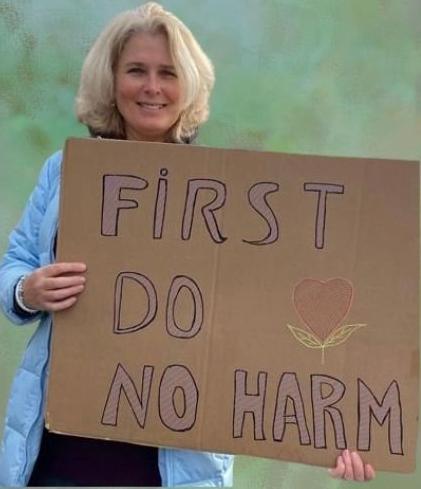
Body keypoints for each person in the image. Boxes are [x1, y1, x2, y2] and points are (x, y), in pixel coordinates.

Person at [0, 2, 375, 486]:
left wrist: (334, 428)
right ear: (110, 81)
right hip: (64, 456)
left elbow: (272, 321)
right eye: (136, 70)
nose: (152, 87)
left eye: (168, 73)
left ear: (189, 85)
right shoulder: (65, 171)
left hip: (176, 467)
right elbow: (16, 264)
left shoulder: (231, 195)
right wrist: (27, 290)